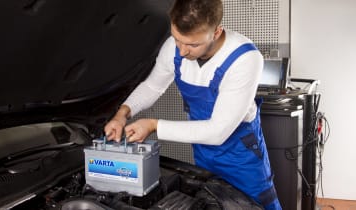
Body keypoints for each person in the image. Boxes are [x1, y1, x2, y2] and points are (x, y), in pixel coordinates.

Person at [104, 0, 281, 209]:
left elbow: (218, 131)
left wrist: (153, 125)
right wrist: (122, 113)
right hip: (203, 150)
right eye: (177, 39)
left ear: (216, 32)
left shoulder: (245, 59)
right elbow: (153, 86)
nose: (181, 52)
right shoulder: (174, 47)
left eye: (192, 45)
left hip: (241, 156)